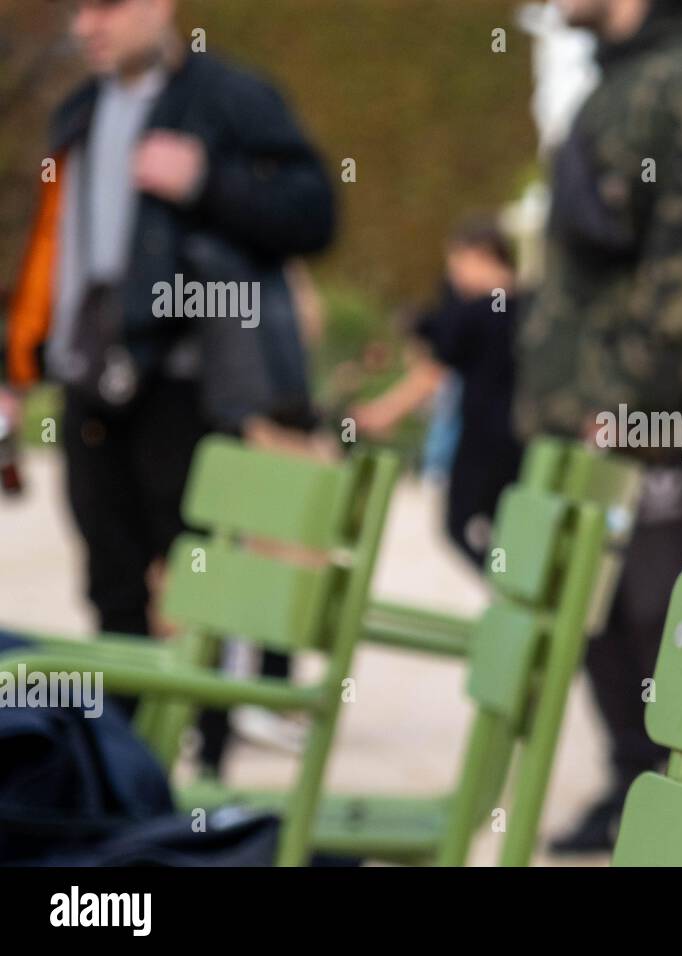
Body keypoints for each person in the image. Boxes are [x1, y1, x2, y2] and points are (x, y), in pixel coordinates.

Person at [0, 0, 334, 773]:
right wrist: (21, 368)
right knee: (111, 581)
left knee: (196, 585)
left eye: (107, 6)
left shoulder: (228, 98)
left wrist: (207, 180)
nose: (87, 25)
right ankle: (124, 768)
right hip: (90, 379)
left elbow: (313, 213)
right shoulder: (78, 112)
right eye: (78, 10)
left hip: (184, 379)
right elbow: (53, 252)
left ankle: (207, 768)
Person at [514, 0, 682, 853]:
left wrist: (623, 401)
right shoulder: (619, 81)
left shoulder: (681, 79)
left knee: (666, 627)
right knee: (605, 617)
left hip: (654, 424)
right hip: (602, 419)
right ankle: (637, 788)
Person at [351, 217, 524, 566]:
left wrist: (383, 411)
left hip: (486, 443)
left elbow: (434, 370)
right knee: (505, 529)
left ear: (481, 255)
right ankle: (521, 595)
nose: (453, 276)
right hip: (521, 441)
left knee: (462, 525)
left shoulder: (480, 312)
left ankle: (516, 595)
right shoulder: (533, 307)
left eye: (456, 263)